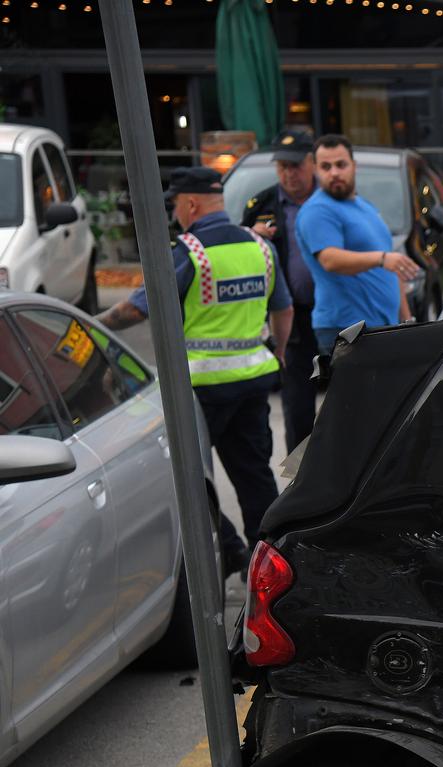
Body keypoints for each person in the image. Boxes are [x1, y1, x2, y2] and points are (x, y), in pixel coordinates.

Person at [98, 167, 293, 574]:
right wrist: (280, 349)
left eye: (175, 204)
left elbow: (136, 307)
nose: (175, 212)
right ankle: (270, 565)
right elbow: (283, 307)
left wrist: (93, 326)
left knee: (188, 479)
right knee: (254, 475)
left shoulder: (189, 252)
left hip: (201, 389)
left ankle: (230, 550)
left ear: (190, 204)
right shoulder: (260, 247)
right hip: (253, 382)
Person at [294, 134, 418, 355]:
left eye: (341, 165)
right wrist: (381, 259)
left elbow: (391, 266)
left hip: (381, 328)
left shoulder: (364, 206)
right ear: (315, 170)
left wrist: (406, 319)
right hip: (346, 330)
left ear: (354, 166)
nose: (334, 173)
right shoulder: (318, 210)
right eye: (326, 166)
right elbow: (330, 260)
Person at [241, 130, 320, 451]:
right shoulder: (262, 205)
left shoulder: (331, 200)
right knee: (297, 407)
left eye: (296, 165)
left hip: (337, 316)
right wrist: (251, 234)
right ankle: (301, 484)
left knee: (347, 403)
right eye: (283, 166)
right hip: (292, 319)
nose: (289, 173)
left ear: (311, 163)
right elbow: (239, 252)